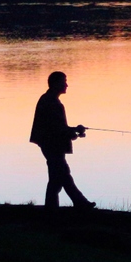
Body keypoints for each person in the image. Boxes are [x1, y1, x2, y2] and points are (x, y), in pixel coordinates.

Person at [29, 71, 95, 210]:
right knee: (63, 175)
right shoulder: (51, 102)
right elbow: (56, 129)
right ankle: (80, 203)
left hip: (51, 144)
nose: (66, 84)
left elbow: (59, 127)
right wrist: (74, 132)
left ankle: (52, 209)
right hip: (52, 145)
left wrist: (74, 130)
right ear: (55, 83)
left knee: (56, 179)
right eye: (64, 81)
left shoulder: (49, 100)